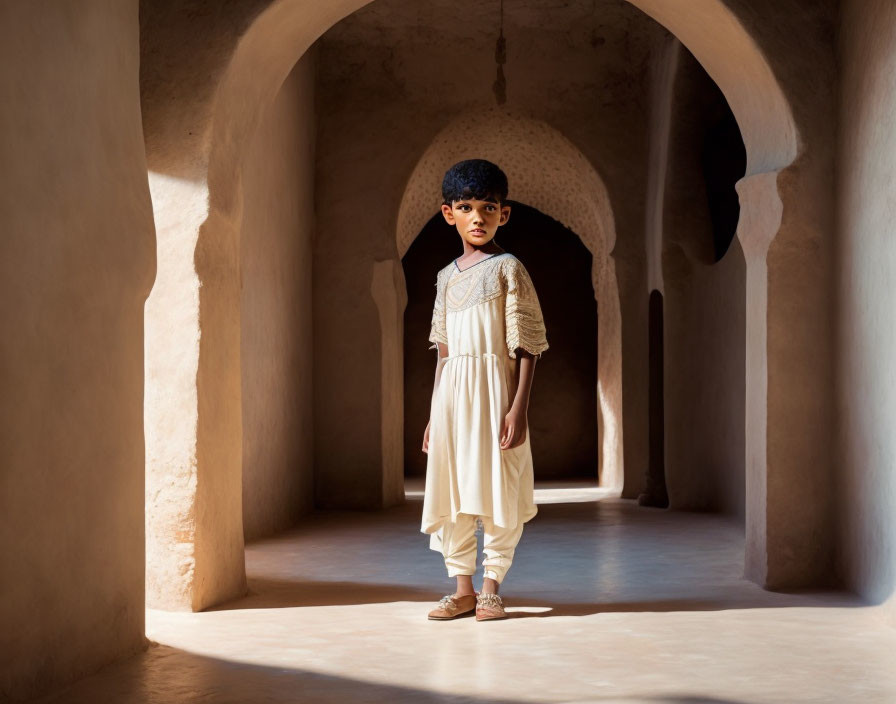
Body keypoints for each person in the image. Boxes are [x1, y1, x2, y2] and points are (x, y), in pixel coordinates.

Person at [421, 158, 549, 621]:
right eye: (467, 207)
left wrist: (519, 407)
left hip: (496, 392)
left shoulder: (507, 268)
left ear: (504, 213)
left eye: (488, 207)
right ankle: (462, 589)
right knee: (453, 484)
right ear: (448, 212)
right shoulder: (444, 278)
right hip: (453, 395)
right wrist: (436, 412)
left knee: (498, 482)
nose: (478, 217)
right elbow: (443, 351)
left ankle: (492, 584)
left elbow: (528, 344)